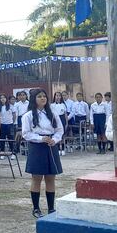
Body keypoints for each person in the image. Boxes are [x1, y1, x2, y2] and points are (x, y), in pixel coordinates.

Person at [22, 89, 63, 218]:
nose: (43, 98)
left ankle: (51, 208)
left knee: (51, 177)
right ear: (34, 99)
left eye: (44, 96)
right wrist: (40, 139)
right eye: (39, 96)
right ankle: (36, 208)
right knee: (37, 178)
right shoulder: (28, 115)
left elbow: (59, 130)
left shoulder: (52, 113)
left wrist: (55, 140)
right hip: (37, 147)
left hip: (51, 146)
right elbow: (26, 133)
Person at [50, 91, 68, 156]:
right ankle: (57, 149)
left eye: (59, 96)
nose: (58, 97)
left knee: (62, 135)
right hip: (55, 119)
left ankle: (62, 149)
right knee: (56, 135)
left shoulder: (63, 105)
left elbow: (65, 114)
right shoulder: (52, 105)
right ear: (54, 97)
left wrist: (66, 123)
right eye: (56, 96)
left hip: (62, 119)